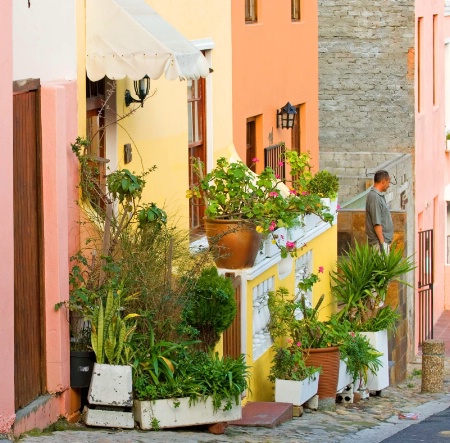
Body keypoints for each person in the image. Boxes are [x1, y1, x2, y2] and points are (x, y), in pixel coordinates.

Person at [365, 170, 393, 253]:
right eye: (388, 182)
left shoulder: (377, 196)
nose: (389, 185)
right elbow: (376, 223)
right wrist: (382, 244)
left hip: (382, 242)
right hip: (378, 244)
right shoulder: (375, 197)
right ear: (383, 182)